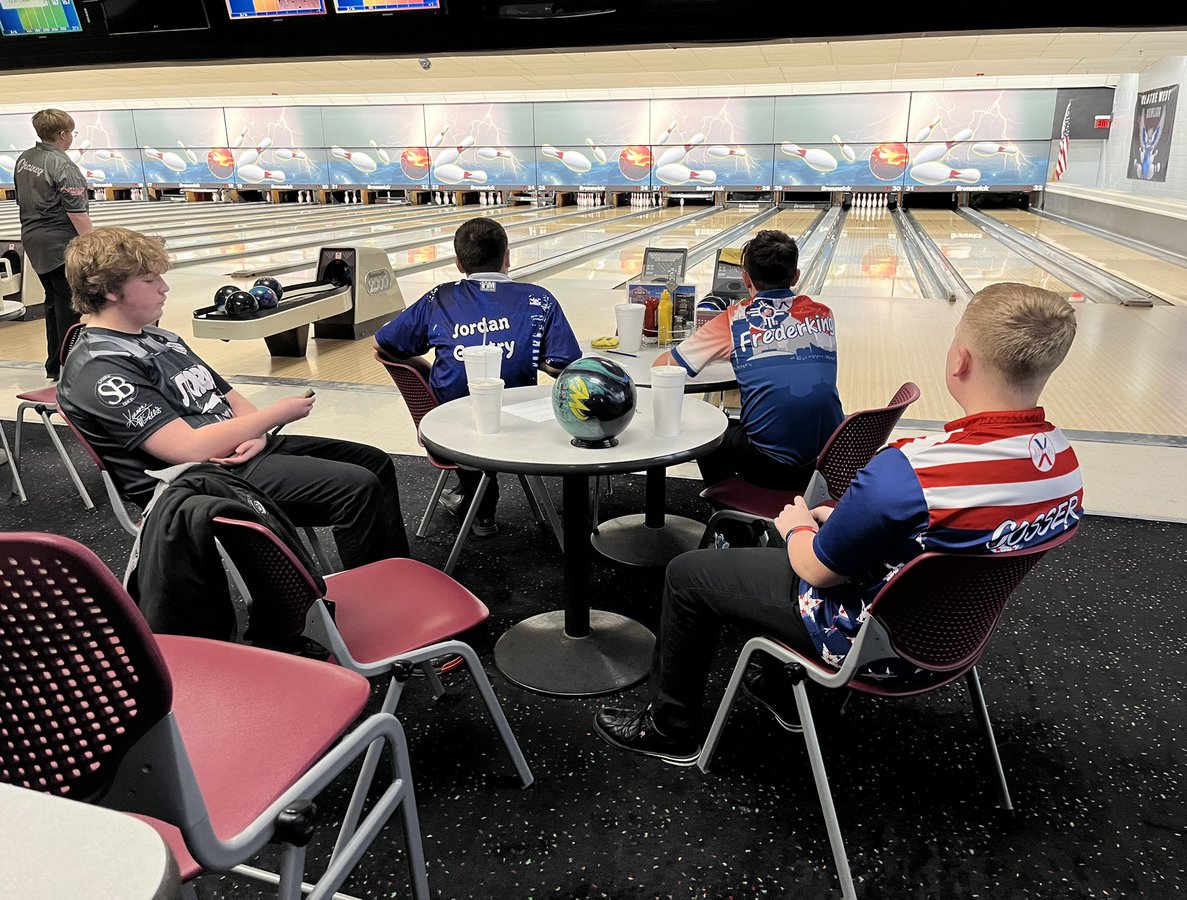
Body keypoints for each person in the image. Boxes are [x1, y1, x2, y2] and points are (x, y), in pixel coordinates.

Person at [595, 282, 1084, 764]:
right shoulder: (1065, 465)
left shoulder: (912, 470)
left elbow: (817, 571)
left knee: (689, 573)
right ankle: (782, 693)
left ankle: (669, 728)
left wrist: (799, 527)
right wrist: (840, 520)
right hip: (948, 640)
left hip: (860, 637)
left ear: (960, 361)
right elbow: (944, 538)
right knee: (784, 539)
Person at [58, 226, 409, 575]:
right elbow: (187, 448)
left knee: (374, 462)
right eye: (150, 280)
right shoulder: (100, 368)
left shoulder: (160, 337)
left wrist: (257, 434)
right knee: (356, 488)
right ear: (108, 290)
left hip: (237, 453)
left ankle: (400, 576)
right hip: (196, 482)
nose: (165, 288)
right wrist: (274, 415)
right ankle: (378, 596)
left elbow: (228, 395)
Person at [374, 216, 582, 536]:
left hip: (449, 431)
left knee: (465, 406)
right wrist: (526, 354)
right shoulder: (538, 299)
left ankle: (478, 503)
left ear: (459, 264)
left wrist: (427, 366)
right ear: (508, 257)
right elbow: (564, 366)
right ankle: (479, 501)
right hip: (520, 430)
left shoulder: (438, 298)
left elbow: (383, 343)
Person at [654, 229, 843, 493]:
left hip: (772, 466)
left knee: (706, 431)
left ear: (745, 279)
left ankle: (732, 527)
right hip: (831, 462)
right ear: (796, 276)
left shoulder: (735, 319)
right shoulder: (823, 314)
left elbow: (666, 366)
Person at [13, 108, 93, 382]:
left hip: (33, 240)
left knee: (54, 303)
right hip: (61, 245)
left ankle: (54, 366)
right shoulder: (63, 165)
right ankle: (71, 367)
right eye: (72, 132)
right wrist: (95, 246)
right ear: (63, 134)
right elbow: (77, 213)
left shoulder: (25, 159)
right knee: (71, 305)